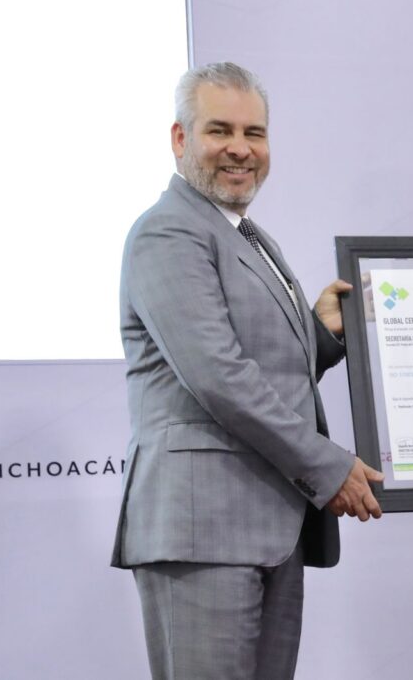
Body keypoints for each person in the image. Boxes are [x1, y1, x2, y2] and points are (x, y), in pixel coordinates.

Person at [111, 62, 383, 680]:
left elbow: (260, 367)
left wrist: (319, 333)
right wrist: (329, 466)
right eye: (220, 130)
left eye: (254, 133)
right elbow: (218, 377)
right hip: (203, 532)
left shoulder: (248, 235)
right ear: (180, 138)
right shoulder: (169, 231)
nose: (240, 148)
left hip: (269, 525)